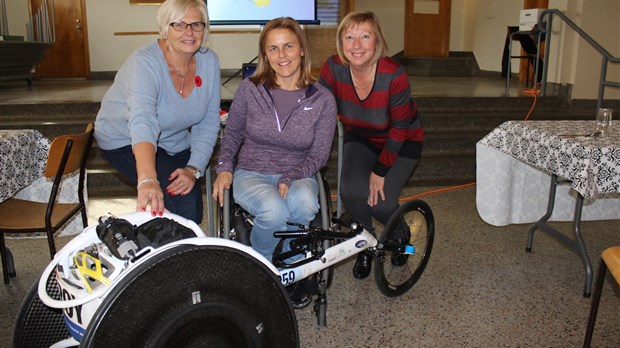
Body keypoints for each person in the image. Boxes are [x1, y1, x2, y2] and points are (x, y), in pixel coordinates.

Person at [212, 17, 337, 264]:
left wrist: (291, 175)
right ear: (265, 55)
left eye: (288, 46)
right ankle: (263, 264)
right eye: (273, 48)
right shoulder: (250, 89)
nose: (282, 55)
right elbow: (233, 133)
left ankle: (291, 258)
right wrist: (225, 167)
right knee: (274, 211)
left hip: (298, 172)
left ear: (301, 49)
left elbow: (320, 154)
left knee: (304, 204)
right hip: (252, 171)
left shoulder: (322, 99)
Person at [94, 0, 220, 224]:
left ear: (205, 28)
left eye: (196, 25)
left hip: (172, 138)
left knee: (190, 208)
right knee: (178, 207)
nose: (189, 32)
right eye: (179, 25)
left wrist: (193, 168)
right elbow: (143, 121)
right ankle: (158, 253)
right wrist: (147, 179)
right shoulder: (145, 62)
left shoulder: (209, 62)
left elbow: (209, 122)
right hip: (124, 137)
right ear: (165, 28)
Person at [319, 11, 423, 280]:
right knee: (351, 190)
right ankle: (365, 243)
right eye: (349, 37)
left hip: (402, 142)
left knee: (381, 202)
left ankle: (401, 235)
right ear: (341, 43)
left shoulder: (393, 74)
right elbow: (319, 111)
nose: (357, 45)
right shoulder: (333, 68)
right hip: (361, 137)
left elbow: (400, 128)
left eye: (365, 36)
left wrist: (380, 170)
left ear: (377, 42)